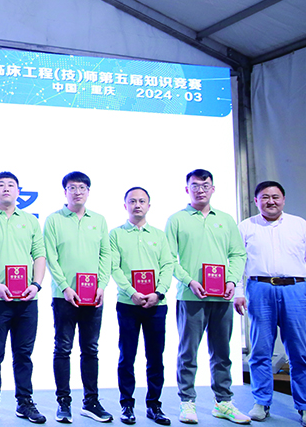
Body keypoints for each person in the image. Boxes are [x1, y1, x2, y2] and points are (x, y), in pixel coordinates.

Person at [234, 181, 306, 427]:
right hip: (259, 289)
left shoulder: (299, 225)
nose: (271, 201)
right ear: (256, 201)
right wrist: (238, 292)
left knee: (299, 351)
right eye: (265, 197)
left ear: (283, 199)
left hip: (294, 289)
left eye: (275, 196)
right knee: (260, 350)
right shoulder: (246, 226)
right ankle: (261, 402)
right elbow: (237, 261)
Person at [166, 169, 249, 425]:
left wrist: (231, 280)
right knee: (188, 352)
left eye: (205, 185)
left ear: (213, 189)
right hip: (190, 297)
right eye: (195, 185)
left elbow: (238, 254)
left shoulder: (225, 219)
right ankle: (187, 402)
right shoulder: (177, 220)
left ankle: (223, 402)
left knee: (222, 352)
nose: (200, 189)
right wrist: (189, 281)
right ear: (186, 189)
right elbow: (168, 258)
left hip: (222, 298)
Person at [0, 172, 46, 425]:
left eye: (11, 185)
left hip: (27, 300)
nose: (6, 188)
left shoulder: (30, 221)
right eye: (0, 185)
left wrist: (36, 285)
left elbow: (39, 255)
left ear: (18, 191)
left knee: (24, 354)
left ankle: (25, 402)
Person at [43, 171, 112, 424]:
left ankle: (91, 402)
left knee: (90, 349)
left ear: (88, 191)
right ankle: (63, 402)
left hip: (93, 296)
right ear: (65, 192)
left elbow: (106, 254)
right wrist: (64, 287)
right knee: (63, 348)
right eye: (72, 188)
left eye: (82, 187)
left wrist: (102, 285)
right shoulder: (54, 220)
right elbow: (50, 256)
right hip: (64, 297)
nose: (77, 192)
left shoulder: (99, 220)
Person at [109, 188, 173, 426]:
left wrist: (159, 293)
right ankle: (127, 405)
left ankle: (154, 405)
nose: (137, 205)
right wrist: (132, 292)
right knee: (127, 356)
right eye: (132, 201)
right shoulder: (116, 234)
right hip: (128, 304)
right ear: (125, 205)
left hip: (157, 304)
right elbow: (114, 267)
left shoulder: (159, 235)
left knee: (155, 357)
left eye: (142, 201)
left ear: (149, 205)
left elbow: (167, 265)